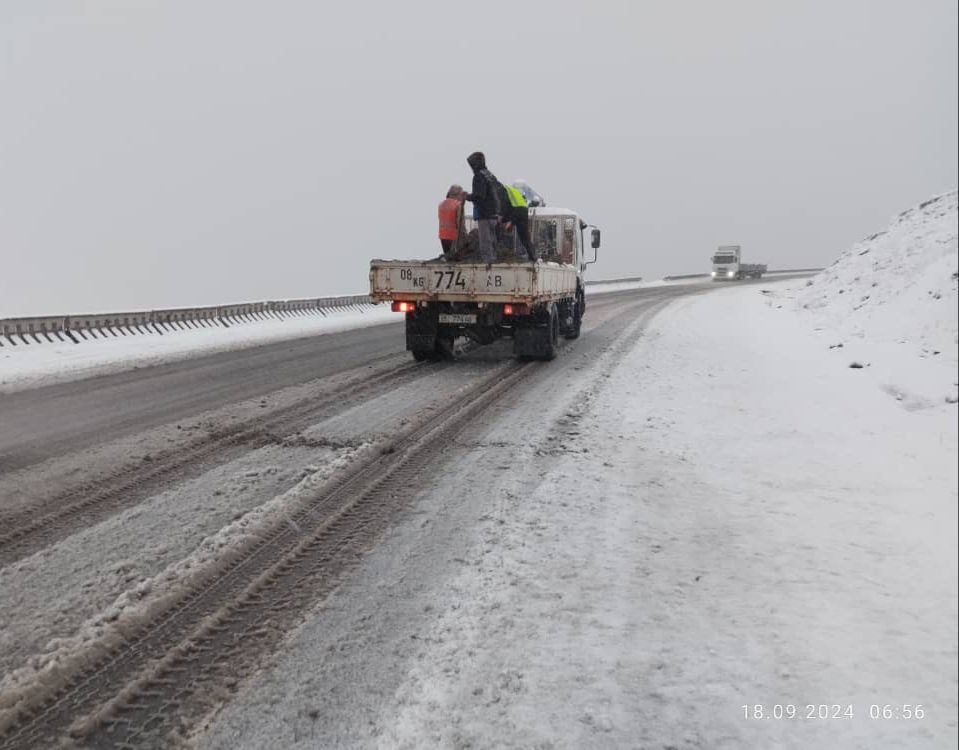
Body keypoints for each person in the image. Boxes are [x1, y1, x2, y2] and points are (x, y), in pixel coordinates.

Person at [463, 151, 504, 263]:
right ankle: (494, 260)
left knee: (485, 241)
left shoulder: (478, 176)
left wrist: (467, 197)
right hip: (495, 214)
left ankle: (489, 263)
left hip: (484, 214)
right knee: (493, 240)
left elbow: (479, 195)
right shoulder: (490, 175)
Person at [503, 183, 533, 260]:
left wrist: (505, 220)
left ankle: (529, 255)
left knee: (523, 237)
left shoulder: (504, 192)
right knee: (524, 237)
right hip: (523, 211)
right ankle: (532, 256)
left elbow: (509, 209)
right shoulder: (514, 192)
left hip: (518, 211)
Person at [437, 184, 465, 259]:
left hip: (442, 235)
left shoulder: (441, 204)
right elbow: (460, 223)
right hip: (453, 236)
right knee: (455, 259)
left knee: (447, 256)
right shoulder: (458, 205)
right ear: (458, 194)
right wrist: (464, 236)